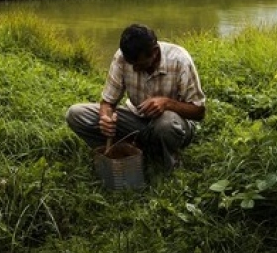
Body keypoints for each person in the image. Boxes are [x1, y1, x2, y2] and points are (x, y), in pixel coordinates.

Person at [66, 23, 206, 171]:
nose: (134, 69)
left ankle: (168, 163)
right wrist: (105, 118)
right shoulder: (121, 57)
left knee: (166, 124)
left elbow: (199, 112)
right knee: (75, 114)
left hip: (175, 126)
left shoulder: (180, 60)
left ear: (155, 52)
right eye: (131, 64)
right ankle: (126, 150)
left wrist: (167, 104)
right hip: (137, 119)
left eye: (139, 64)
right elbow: (108, 102)